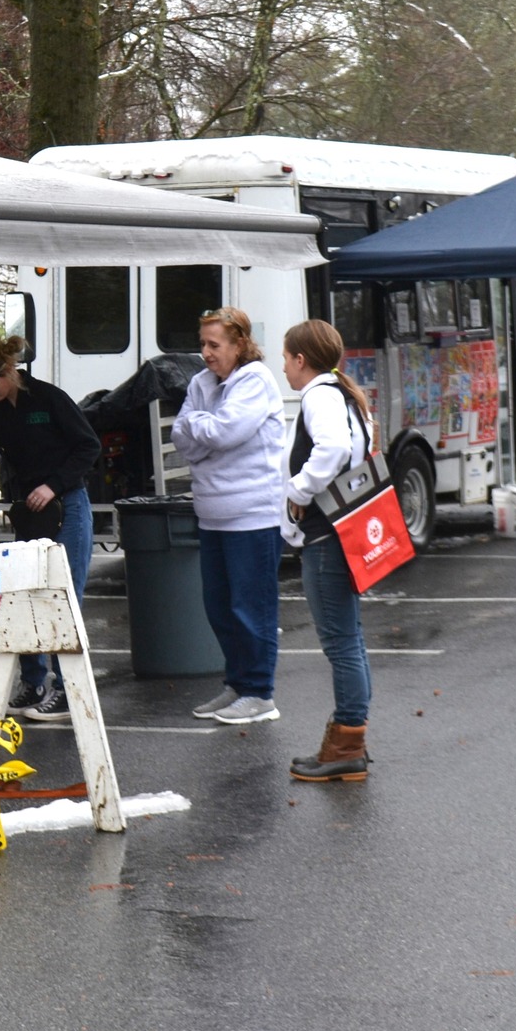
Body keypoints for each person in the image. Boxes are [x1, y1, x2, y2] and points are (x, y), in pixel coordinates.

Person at [0, 334, 100, 722]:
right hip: (30, 512)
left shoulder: (49, 398)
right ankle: (34, 681)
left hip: (67, 505)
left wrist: (54, 483)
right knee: (27, 595)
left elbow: (89, 446)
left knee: (63, 595)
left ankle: (68, 690)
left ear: (8, 371)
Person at [171, 307, 288, 726]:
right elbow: (181, 438)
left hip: (252, 515)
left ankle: (260, 692)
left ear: (239, 344)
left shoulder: (255, 380)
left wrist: (203, 430)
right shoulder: (203, 383)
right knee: (219, 606)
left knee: (250, 607)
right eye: (202, 343)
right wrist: (208, 431)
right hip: (212, 513)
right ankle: (238, 684)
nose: (205, 352)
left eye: (214, 344)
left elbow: (222, 432)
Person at [277, 318, 376, 782]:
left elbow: (333, 449)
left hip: (328, 536)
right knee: (348, 640)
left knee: (340, 643)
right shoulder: (342, 392)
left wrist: (298, 491)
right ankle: (348, 739)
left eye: (286, 357)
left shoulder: (319, 394)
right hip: (346, 529)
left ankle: (346, 746)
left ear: (301, 359)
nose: (284, 367)